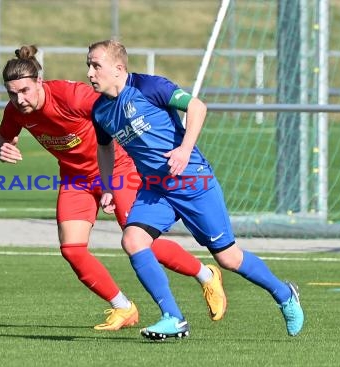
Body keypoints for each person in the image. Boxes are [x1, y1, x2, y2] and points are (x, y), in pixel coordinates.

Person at [0, 45, 227, 331]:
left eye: (25, 91)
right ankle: (123, 307)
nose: (19, 99)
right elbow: (1, 137)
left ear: (39, 82)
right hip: (75, 178)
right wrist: (1, 147)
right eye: (12, 94)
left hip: (118, 170)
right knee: (72, 248)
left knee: (140, 240)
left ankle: (206, 275)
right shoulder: (15, 111)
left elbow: (116, 106)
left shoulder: (72, 96)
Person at [87, 39, 304, 340]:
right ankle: (173, 318)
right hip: (156, 189)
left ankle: (284, 294)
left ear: (118, 68)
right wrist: (109, 185)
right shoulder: (100, 111)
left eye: (96, 65)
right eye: (89, 65)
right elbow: (104, 147)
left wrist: (185, 150)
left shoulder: (150, 87)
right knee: (133, 240)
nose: (90, 72)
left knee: (228, 258)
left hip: (193, 182)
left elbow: (197, 106)